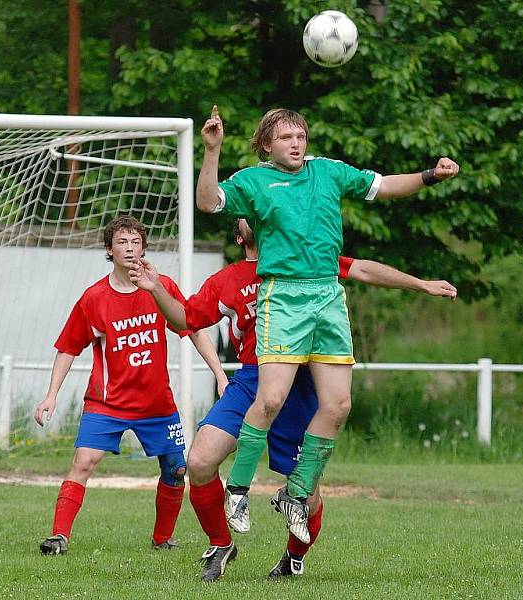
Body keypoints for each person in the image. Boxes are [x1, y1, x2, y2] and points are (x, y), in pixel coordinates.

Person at [129, 218, 457, 581]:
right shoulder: (228, 280)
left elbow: (362, 268)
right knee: (201, 461)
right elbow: (186, 318)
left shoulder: (305, 260)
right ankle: (221, 544)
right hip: (254, 377)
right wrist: (156, 288)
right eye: (246, 210)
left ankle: (292, 558)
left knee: (307, 492)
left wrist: (421, 284)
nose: (255, 208)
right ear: (240, 237)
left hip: (300, 383)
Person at [196, 106, 460, 543]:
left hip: (327, 298)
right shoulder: (255, 181)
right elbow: (208, 202)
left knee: (338, 406)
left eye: (301, 135)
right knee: (272, 398)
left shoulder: (330, 172)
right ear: (266, 145)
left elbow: (385, 186)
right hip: (283, 296)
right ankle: (238, 489)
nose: (296, 143)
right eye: (285, 138)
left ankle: (296, 492)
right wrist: (212, 150)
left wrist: (430, 174)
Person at [33, 216, 228, 555]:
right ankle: (58, 536)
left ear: (144, 248)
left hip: (156, 404)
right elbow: (67, 347)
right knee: (84, 461)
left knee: (176, 468)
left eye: (135, 242)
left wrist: (221, 374)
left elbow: (192, 327)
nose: (129, 248)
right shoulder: (94, 298)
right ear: (109, 249)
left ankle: (162, 538)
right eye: (122, 242)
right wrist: (51, 396)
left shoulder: (159, 285)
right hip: (107, 403)